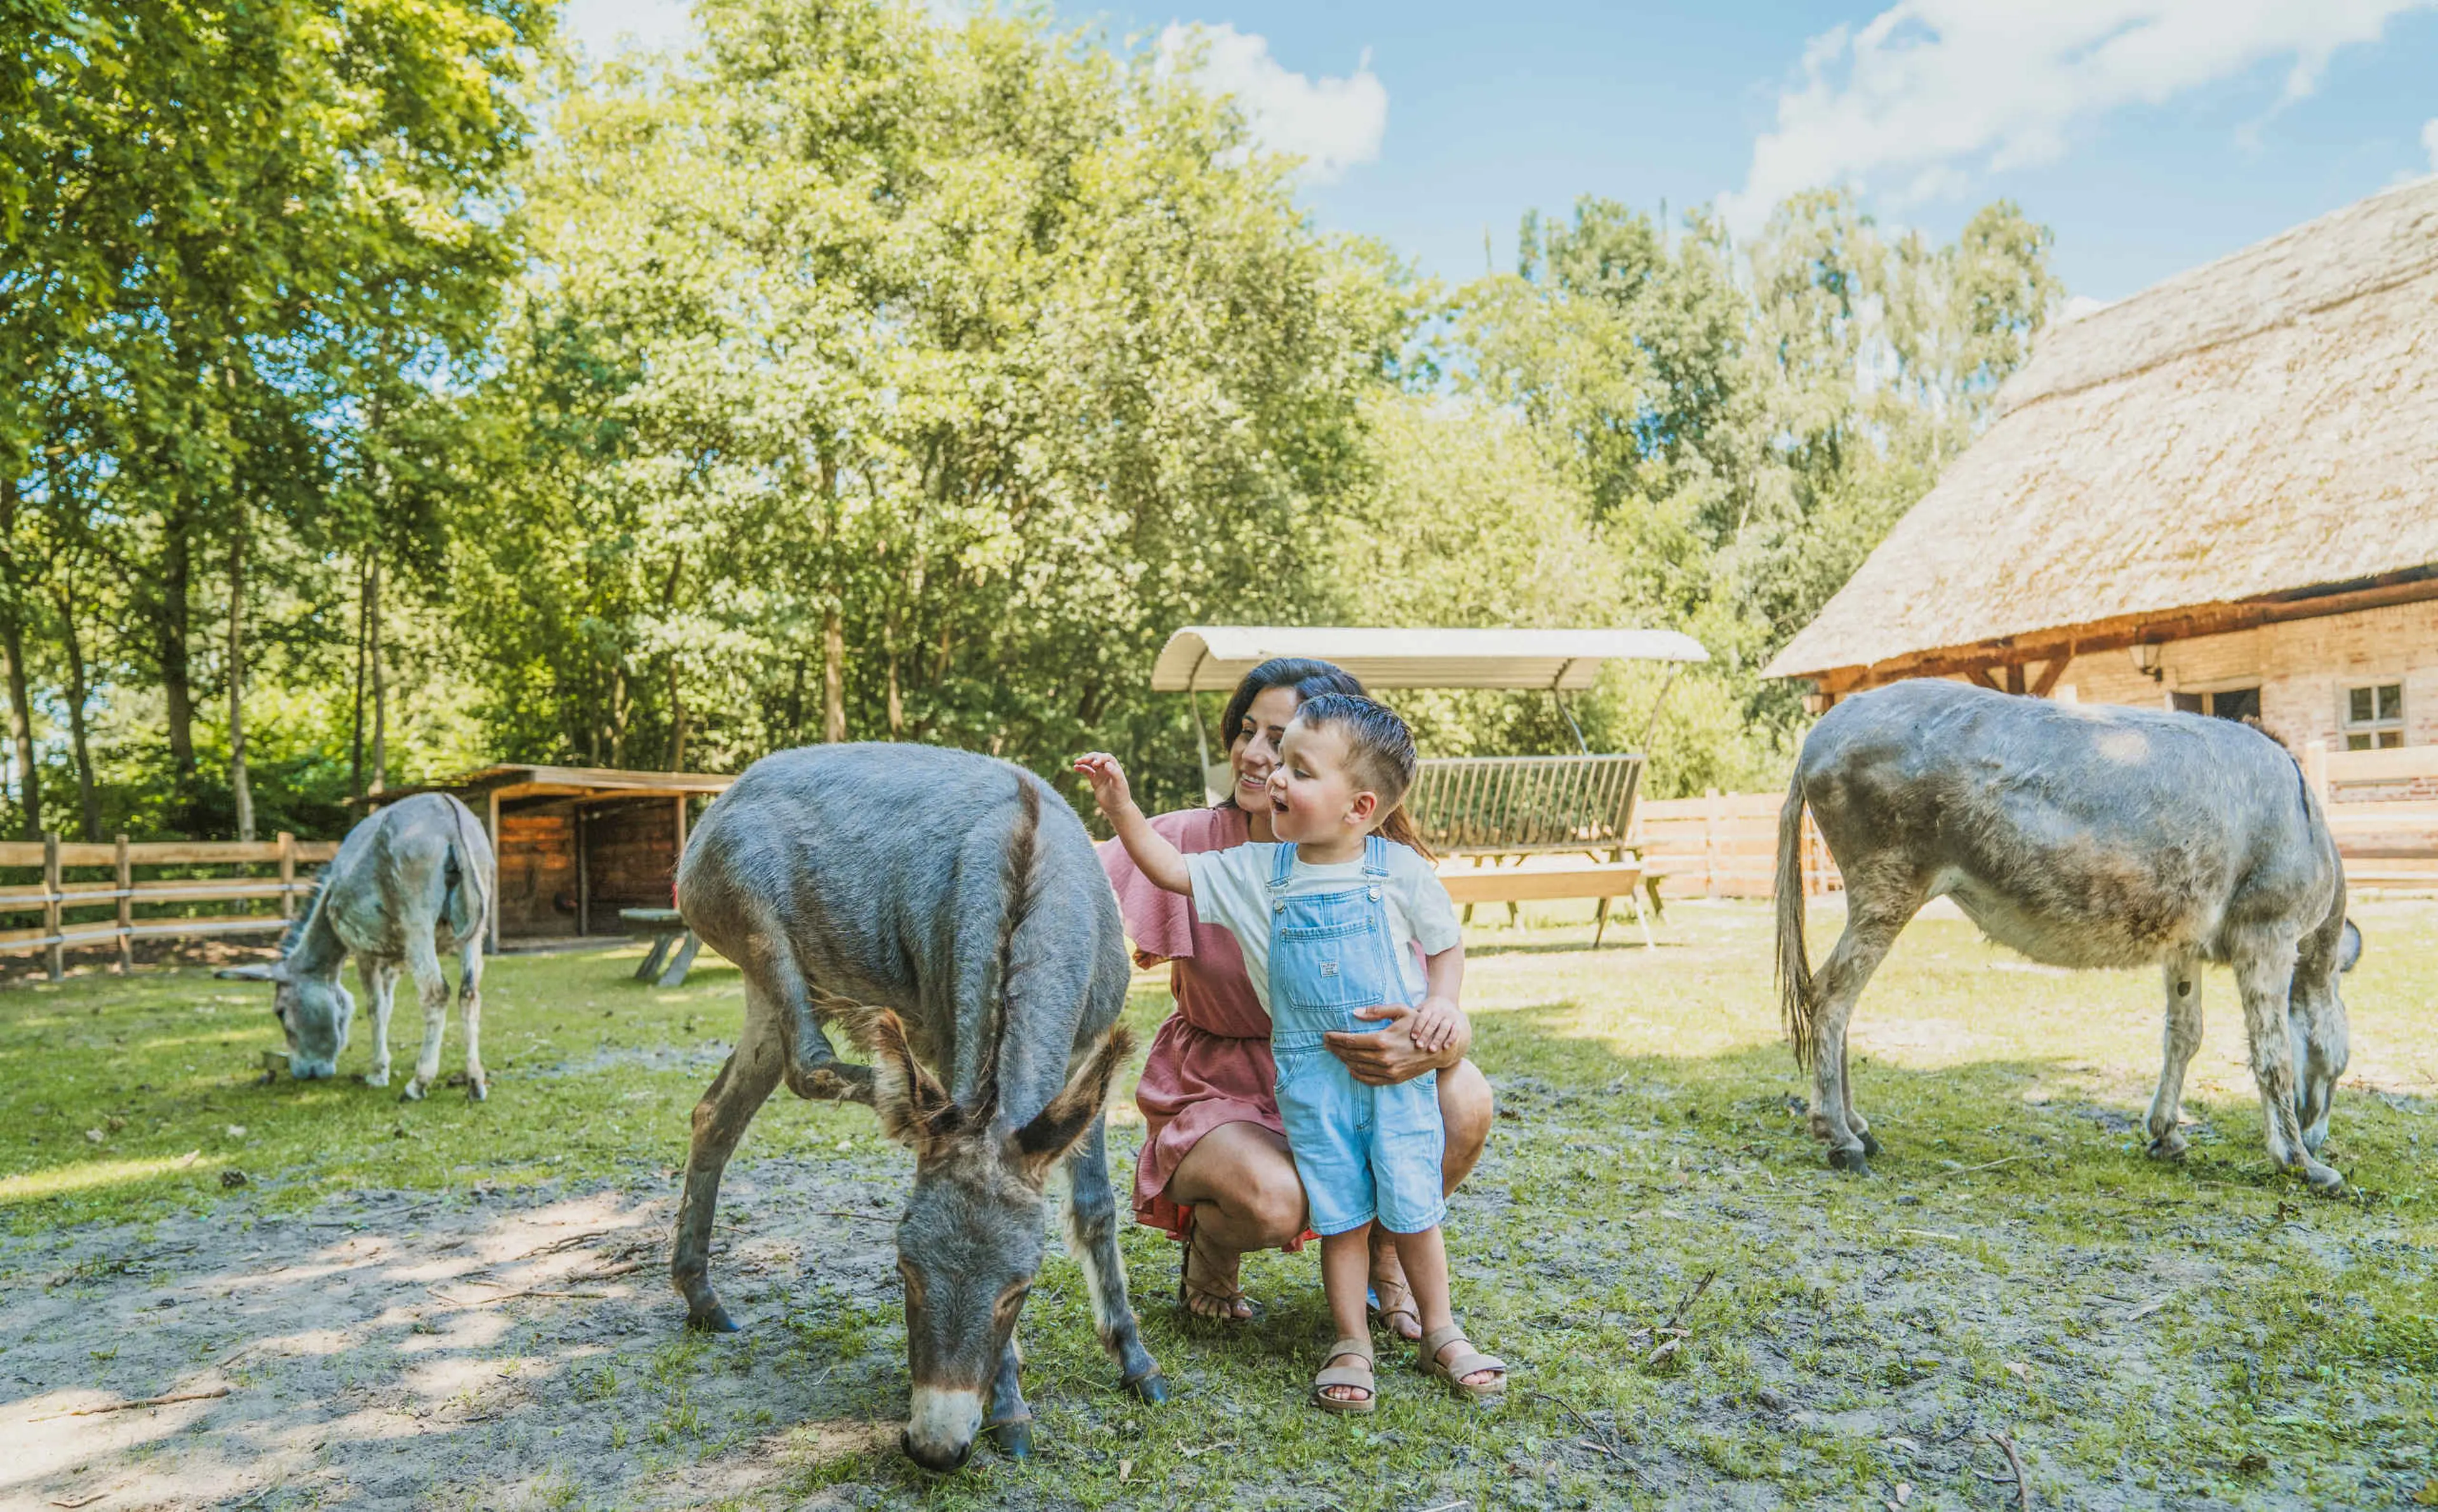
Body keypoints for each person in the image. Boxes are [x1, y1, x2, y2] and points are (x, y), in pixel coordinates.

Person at [1078, 693, 1507, 1410]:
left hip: (1390, 1079)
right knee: (1339, 1211)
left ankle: (1443, 1330)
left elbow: (1445, 943)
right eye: (1271, 755)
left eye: (1297, 766)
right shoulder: (1255, 870)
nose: (1273, 773)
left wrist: (1441, 1005)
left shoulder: (1397, 870)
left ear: (1359, 806)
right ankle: (1350, 1342)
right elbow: (1168, 869)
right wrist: (1122, 808)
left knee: (1415, 1204)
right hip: (1310, 1079)